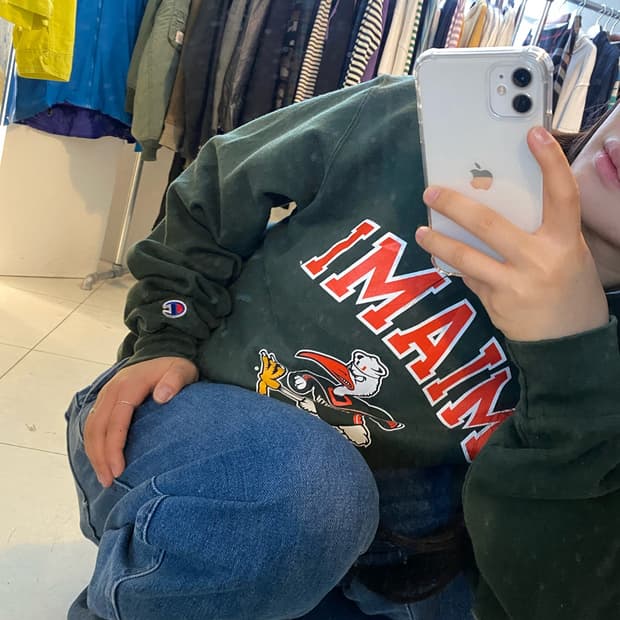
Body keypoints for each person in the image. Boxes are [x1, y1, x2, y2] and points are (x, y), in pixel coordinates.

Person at [65, 75, 620, 620]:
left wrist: (573, 354)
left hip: (376, 538)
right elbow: (219, 181)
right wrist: (166, 333)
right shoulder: (423, 126)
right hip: (190, 441)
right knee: (309, 487)